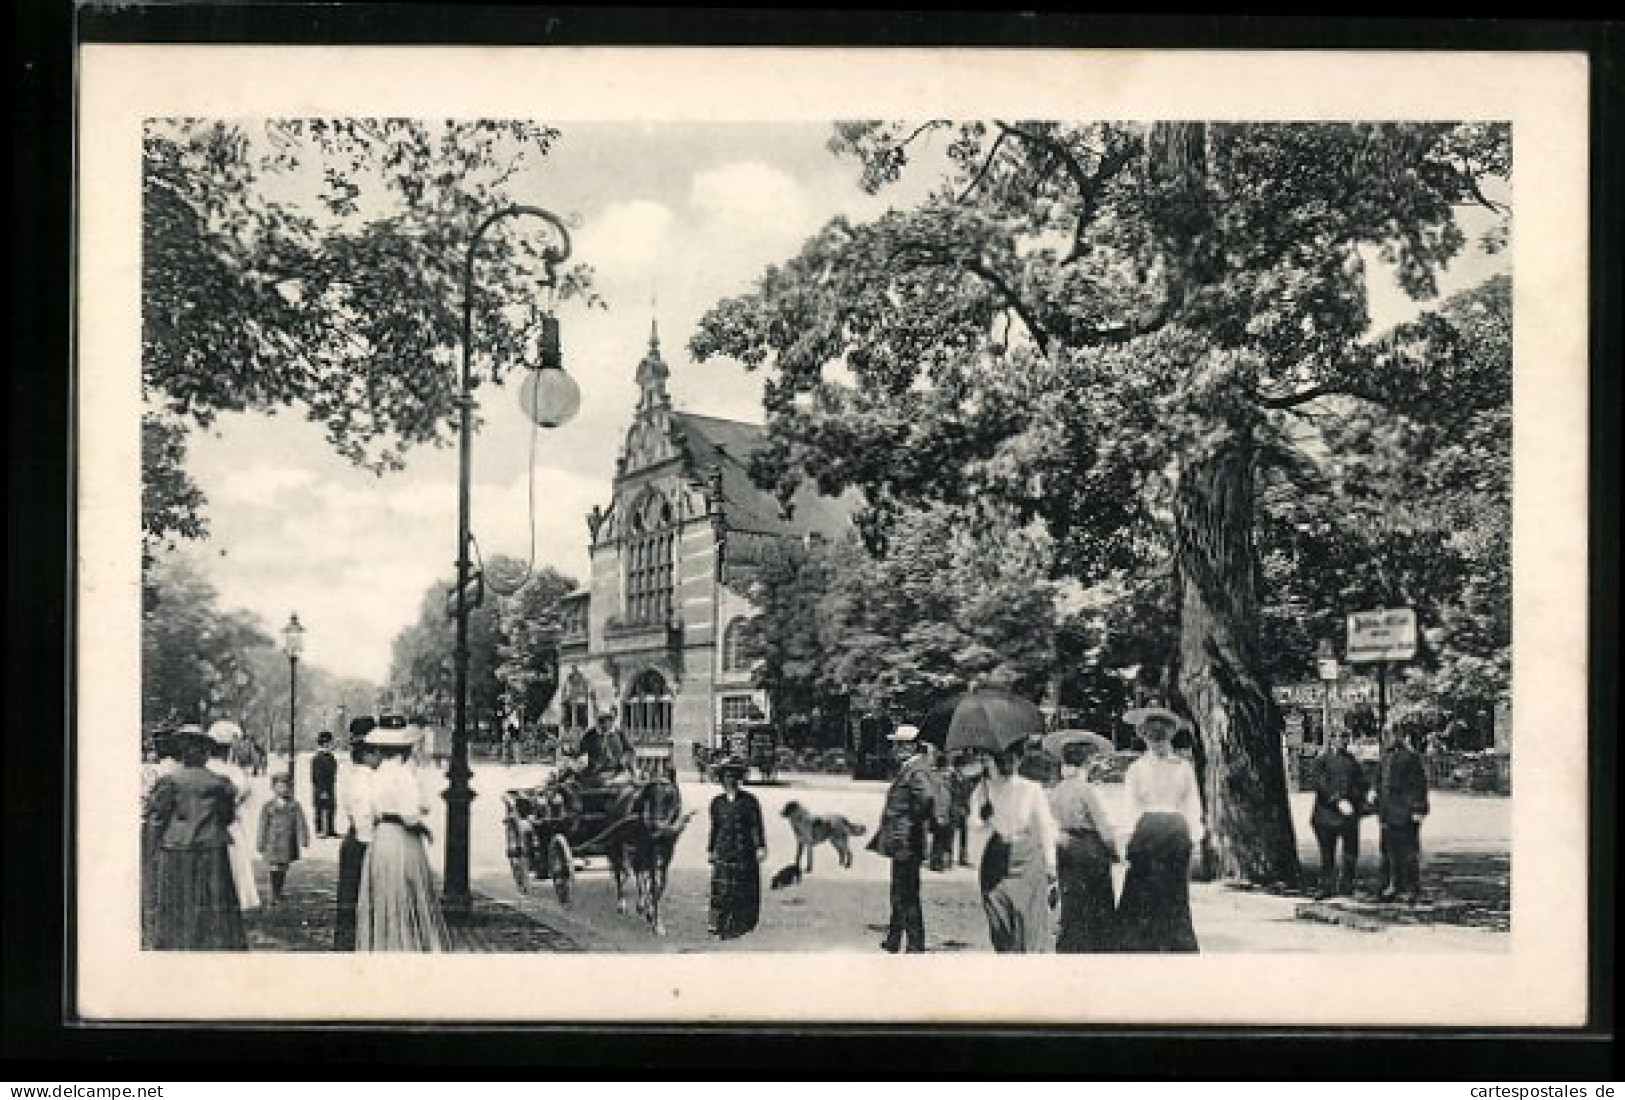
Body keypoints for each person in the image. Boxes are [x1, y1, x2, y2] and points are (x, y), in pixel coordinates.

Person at [146, 725, 247, 950]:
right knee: (213, 902)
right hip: (211, 849)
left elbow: (157, 818)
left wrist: (152, 849)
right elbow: (227, 817)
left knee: (177, 903)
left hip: (176, 849)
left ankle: (176, 944)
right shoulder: (220, 783)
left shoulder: (169, 781)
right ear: (205, 753)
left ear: (181, 752)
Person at [356, 717, 450, 951]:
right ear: (406, 749)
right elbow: (411, 813)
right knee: (407, 891)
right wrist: (421, 824)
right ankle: (407, 945)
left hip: (381, 838)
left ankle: (384, 944)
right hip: (402, 837)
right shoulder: (404, 775)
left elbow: (364, 814)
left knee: (384, 892)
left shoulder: (373, 775)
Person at [1115, 706, 1204, 952]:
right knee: (1143, 888)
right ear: (1143, 736)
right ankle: (1143, 943)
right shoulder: (1137, 769)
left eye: (1162, 735)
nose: (1157, 741)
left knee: (1174, 890)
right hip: (1147, 832)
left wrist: (1193, 835)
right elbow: (1130, 806)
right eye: (1152, 735)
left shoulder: (1183, 768)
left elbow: (1192, 802)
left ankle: (1174, 942)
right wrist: (1128, 839)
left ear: (1171, 735)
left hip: (1176, 831)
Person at [972, 744, 1059, 953]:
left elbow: (1046, 826)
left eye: (1013, 758)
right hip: (997, 856)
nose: (1008, 763)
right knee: (999, 918)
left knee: (1028, 920)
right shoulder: (984, 788)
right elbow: (974, 824)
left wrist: (1050, 864)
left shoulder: (1031, 789)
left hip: (1027, 858)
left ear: (1020, 760)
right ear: (994, 760)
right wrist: (983, 816)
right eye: (1003, 758)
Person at [866, 725, 941, 952]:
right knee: (900, 891)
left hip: (906, 840)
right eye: (896, 744)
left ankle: (915, 944)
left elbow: (927, 798)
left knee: (906, 893)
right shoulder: (912, 767)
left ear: (911, 746)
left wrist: (913, 820)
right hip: (904, 839)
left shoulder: (916, 770)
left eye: (900, 744)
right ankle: (894, 938)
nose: (896, 748)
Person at [1046, 736, 1120, 953]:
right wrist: (1114, 850)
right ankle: (1095, 948)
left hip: (1064, 845)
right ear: (1086, 762)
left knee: (1071, 900)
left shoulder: (1057, 790)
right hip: (1088, 848)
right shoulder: (1087, 790)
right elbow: (1103, 824)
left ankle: (1071, 946)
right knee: (1096, 903)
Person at [706, 754, 766, 940]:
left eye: (733, 776)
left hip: (743, 849)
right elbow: (715, 827)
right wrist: (711, 849)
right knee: (722, 888)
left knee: (741, 887)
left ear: (739, 779)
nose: (730, 780)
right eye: (726, 776)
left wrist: (759, 847)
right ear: (721, 779)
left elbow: (756, 825)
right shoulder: (717, 802)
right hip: (724, 849)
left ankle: (739, 923)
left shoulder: (749, 801)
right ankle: (718, 923)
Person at [205, 720, 260, 912]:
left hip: (208, 824)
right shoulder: (234, 772)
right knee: (234, 860)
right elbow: (243, 795)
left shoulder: (205, 768)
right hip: (229, 824)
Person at [1309, 728, 1371, 899]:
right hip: (1326, 816)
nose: (1342, 741)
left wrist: (1359, 799)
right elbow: (1319, 783)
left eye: (1345, 738)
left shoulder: (1353, 762)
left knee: (1350, 853)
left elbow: (1362, 784)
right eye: (1338, 737)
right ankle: (1325, 886)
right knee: (1327, 854)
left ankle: (1347, 886)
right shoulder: (1321, 761)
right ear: (1331, 740)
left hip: (1349, 816)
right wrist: (1337, 800)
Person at [334, 717, 378, 952]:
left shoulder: (350, 772)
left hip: (356, 838)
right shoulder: (363, 777)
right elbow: (362, 817)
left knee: (351, 899)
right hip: (362, 841)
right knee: (358, 897)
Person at [1374, 727, 1430, 904]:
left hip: (1406, 813)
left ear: (1399, 736)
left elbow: (1419, 785)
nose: (1387, 738)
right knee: (1388, 851)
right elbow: (1379, 784)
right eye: (1385, 735)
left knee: (1408, 852)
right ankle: (1390, 886)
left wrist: (1418, 809)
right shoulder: (1385, 758)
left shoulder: (1410, 757)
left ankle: (1411, 889)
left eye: (1390, 735)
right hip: (1388, 813)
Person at [256, 773, 311, 906]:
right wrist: (260, 842)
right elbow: (263, 825)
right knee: (274, 867)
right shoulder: (268, 806)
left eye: (285, 787)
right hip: (273, 842)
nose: (283, 790)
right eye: (279, 787)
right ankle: (274, 893)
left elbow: (301, 822)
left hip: (287, 842)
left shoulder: (294, 805)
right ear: (273, 788)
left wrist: (304, 837)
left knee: (283, 868)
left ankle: (278, 891)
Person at [578, 706, 634, 781]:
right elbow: (581, 754)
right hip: (596, 775)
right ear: (598, 720)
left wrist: (624, 760)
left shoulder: (619, 734)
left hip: (618, 773)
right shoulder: (589, 736)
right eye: (602, 720)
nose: (606, 723)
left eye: (609, 719)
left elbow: (630, 751)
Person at [309, 730, 339, 838]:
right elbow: (316, 776)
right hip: (321, 787)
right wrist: (322, 790)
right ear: (324, 743)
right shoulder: (318, 758)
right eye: (328, 743)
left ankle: (330, 829)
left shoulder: (330, 756)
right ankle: (319, 830)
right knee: (320, 808)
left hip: (330, 786)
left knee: (331, 807)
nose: (330, 745)